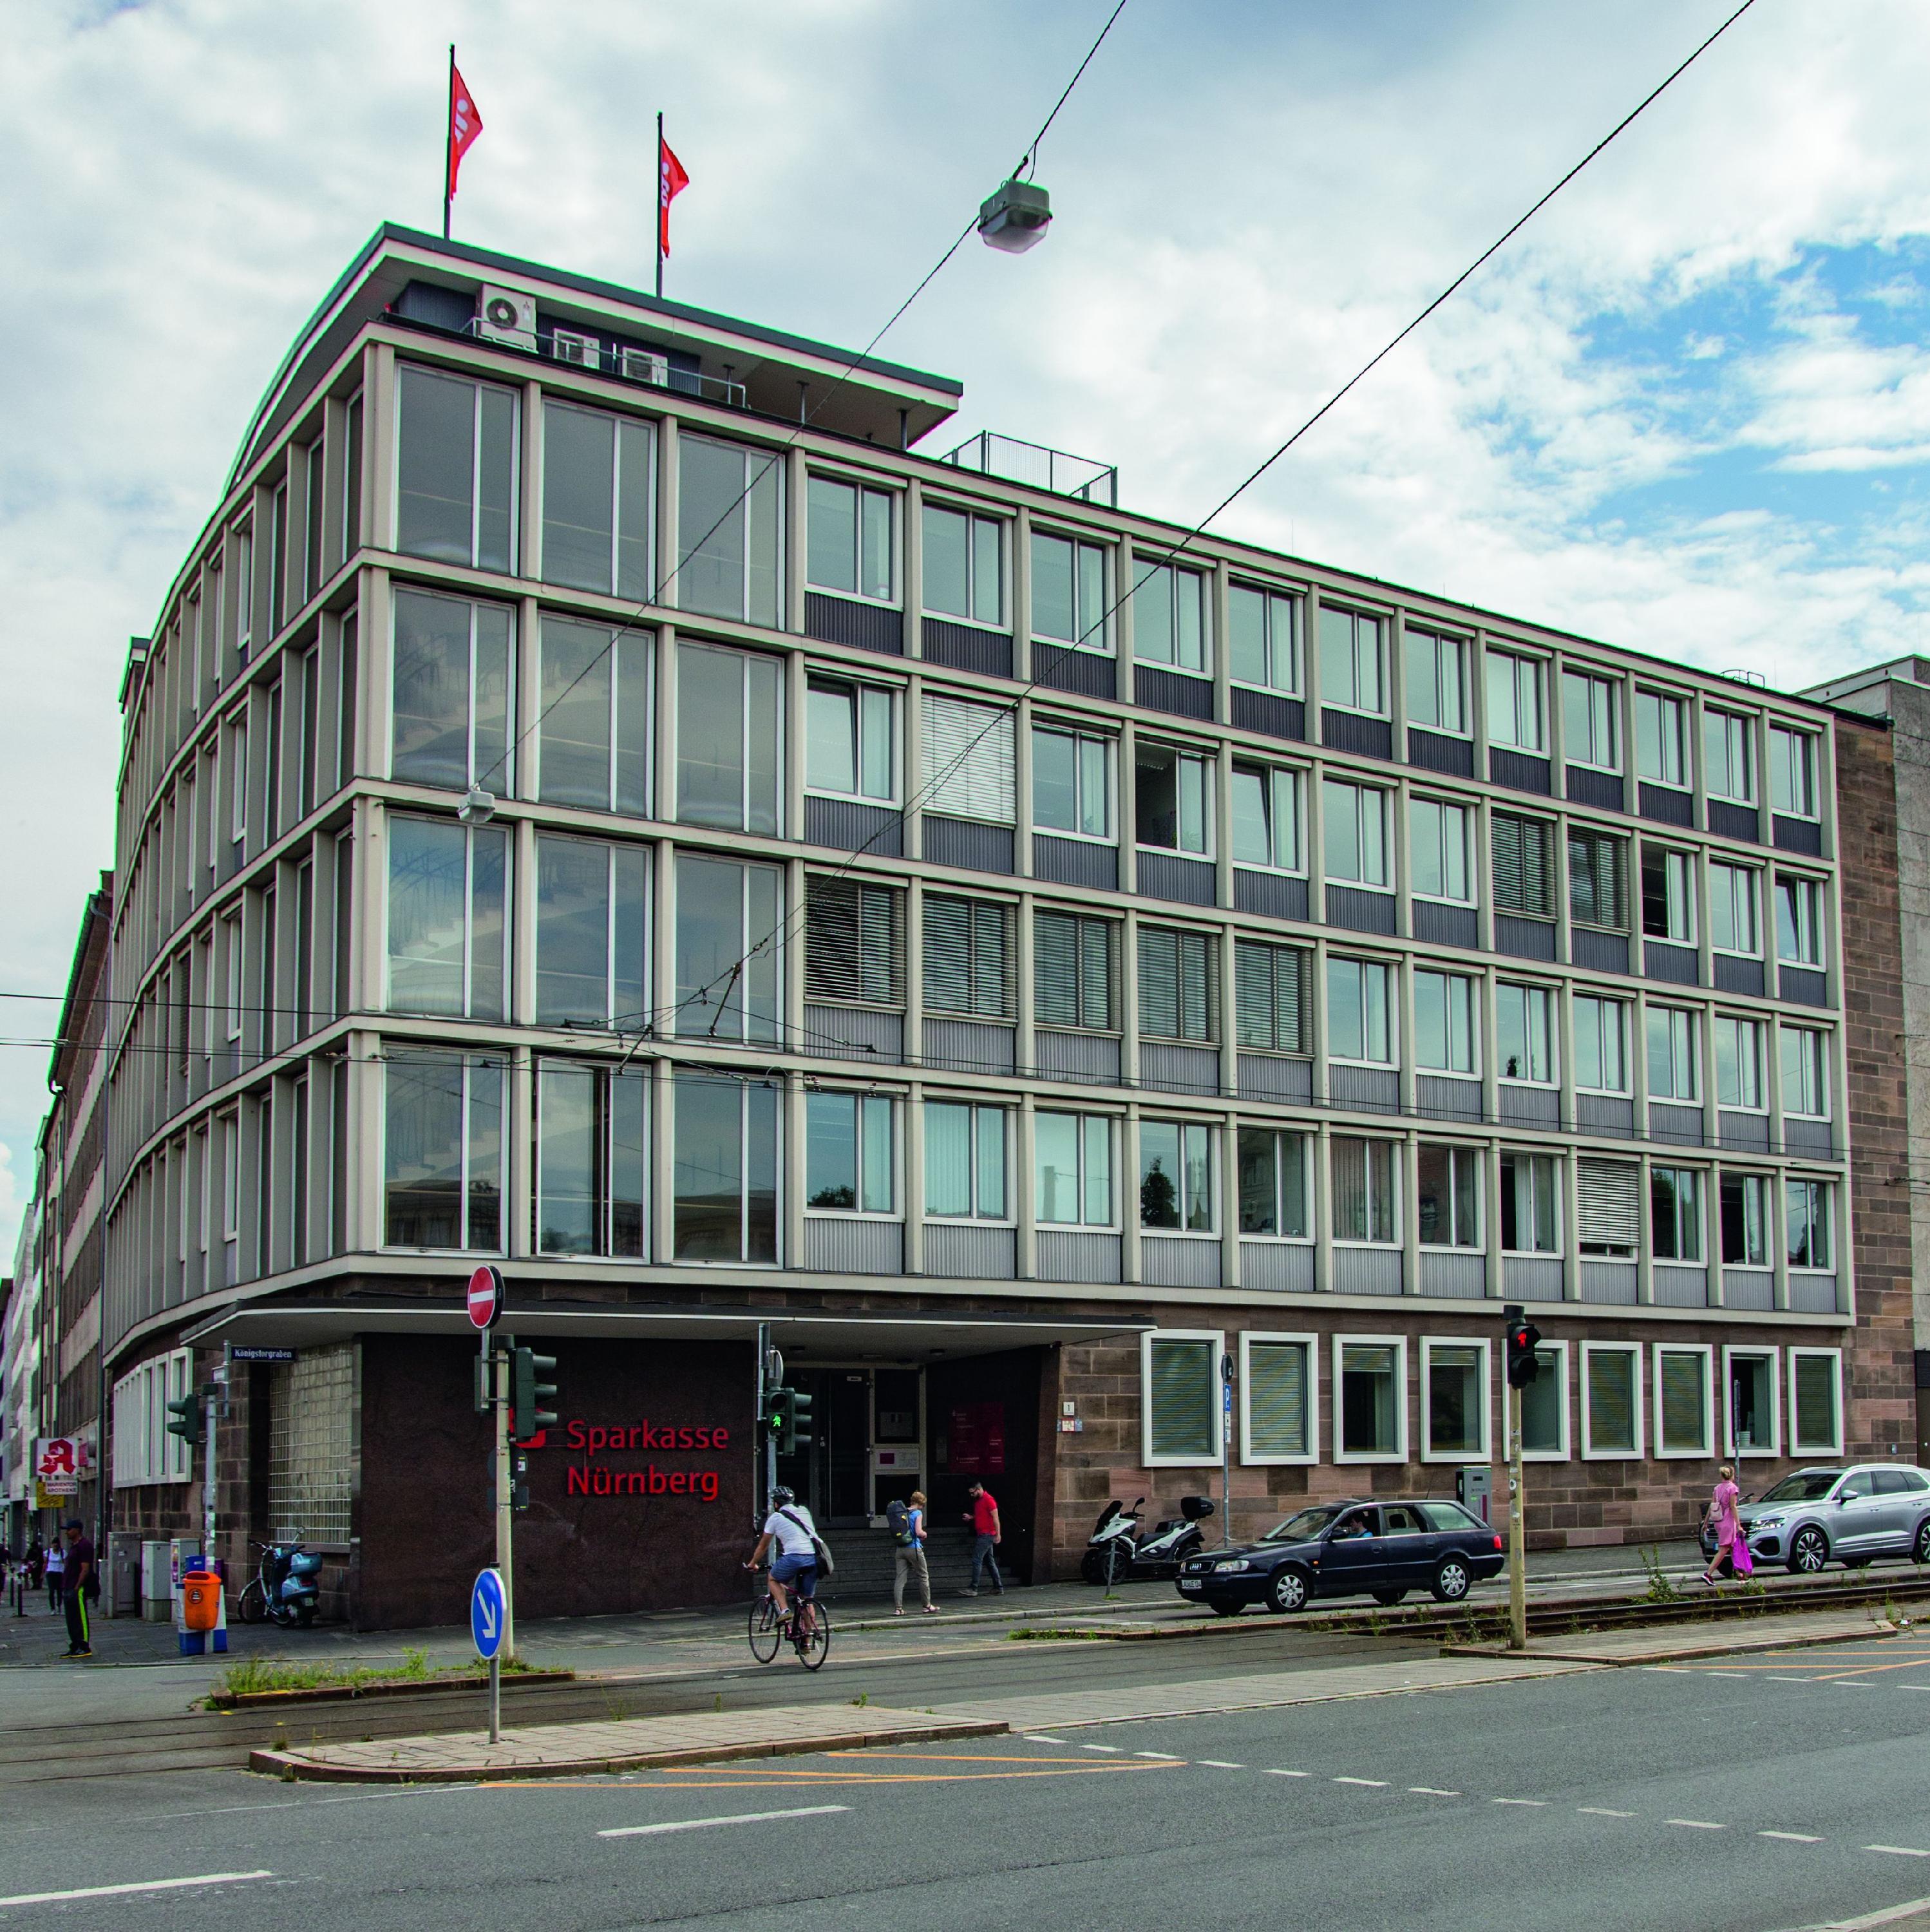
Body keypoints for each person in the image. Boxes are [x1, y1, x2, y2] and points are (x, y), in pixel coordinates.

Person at [744, 1486, 819, 1640]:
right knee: (806, 1599)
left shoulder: (775, 1518)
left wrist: (753, 1563)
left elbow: (763, 1546)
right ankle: (807, 1638)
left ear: (776, 1504)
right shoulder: (804, 1512)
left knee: (773, 1578)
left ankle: (785, 1611)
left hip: (793, 1557)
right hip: (814, 1558)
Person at [893, 1490, 937, 1615]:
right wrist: (925, 1534)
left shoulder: (902, 1512)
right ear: (920, 1503)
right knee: (923, 1576)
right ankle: (927, 1606)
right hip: (914, 1548)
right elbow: (918, 1531)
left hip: (900, 1549)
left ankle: (898, 1608)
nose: (923, 1507)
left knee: (900, 1579)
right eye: (923, 1505)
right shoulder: (917, 1513)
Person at [1702, 1464, 1742, 1586]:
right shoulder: (1732, 1489)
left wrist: (1706, 1522)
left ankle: (1740, 1574)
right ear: (1732, 1475)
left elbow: (1712, 1506)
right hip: (1728, 1522)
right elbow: (1733, 1507)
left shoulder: (1717, 1488)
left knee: (1733, 1547)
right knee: (1724, 1549)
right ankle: (1708, 1574)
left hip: (1718, 1522)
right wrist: (1739, 1524)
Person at [59, 1521, 94, 1659]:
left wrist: (77, 1586)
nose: (67, 1532)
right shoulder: (74, 1546)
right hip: (68, 1586)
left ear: (77, 1530)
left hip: (76, 1587)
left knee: (80, 1618)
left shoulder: (84, 1546)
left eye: (69, 1529)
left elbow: (85, 1569)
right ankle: (75, 1645)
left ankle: (84, 1646)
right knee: (71, 1619)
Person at [964, 1480, 1003, 1596]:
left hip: (987, 1535)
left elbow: (996, 1518)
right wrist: (971, 1517)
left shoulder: (989, 1500)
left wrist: (998, 1534)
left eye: (973, 1493)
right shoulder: (979, 1501)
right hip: (983, 1534)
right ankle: (998, 1587)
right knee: (989, 1561)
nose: (972, 1495)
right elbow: (982, 1515)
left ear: (979, 1489)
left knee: (977, 1559)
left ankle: (973, 1588)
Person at [44, 1535, 64, 1613]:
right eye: (54, 1545)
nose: (55, 1546)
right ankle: (52, 1608)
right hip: (51, 1573)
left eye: (57, 1545)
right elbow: (45, 1563)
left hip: (59, 1573)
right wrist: (43, 1573)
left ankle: (59, 1606)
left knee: (59, 1591)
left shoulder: (62, 1552)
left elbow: (66, 1563)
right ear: (52, 1545)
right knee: (51, 1591)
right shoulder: (48, 1552)